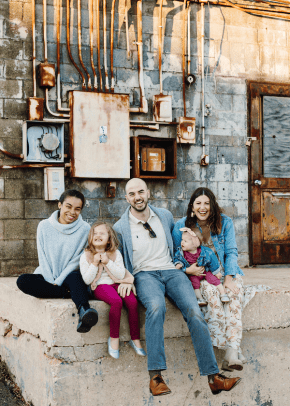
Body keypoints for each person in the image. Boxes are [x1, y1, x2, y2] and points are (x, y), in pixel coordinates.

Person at [113, 178, 241, 396]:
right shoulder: (120, 227)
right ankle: (156, 377)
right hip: (144, 275)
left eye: (141, 192)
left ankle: (214, 377)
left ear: (148, 192)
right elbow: (119, 258)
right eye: (132, 194)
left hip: (173, 272)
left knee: (194, 311)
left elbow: (181, 247)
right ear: (127, 198)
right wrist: (125, 280)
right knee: (156, 308)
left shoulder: (164, 216)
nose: (137, 197)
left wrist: (190, 268)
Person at [172, 187, 269, 372]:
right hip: (200, 274)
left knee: (234, 293)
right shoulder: (181, 226)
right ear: (192, 206)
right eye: (198, 203)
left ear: (213, 205)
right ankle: (233, 349)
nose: (203, 207)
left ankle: (231, 352)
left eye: (207, 203)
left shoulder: (225, 222)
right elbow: (177, 255)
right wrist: (188, 271)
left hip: (226, 271)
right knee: (211, 295)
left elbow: (232, 251)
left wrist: (229, 278)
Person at [16, 189, 98, 334]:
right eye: (68, 206)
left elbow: (77, 260)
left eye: (77, 209)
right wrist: (50, 280)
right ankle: (68, 293)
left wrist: (59, 280)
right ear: (60, 205)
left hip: (69, 275)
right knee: (22, 281)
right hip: (47, 274)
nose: (72, 212)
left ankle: (85, 311)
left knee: (76, 278)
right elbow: (43, 257)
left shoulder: (85, 229)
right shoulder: (44, 226)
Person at [80, 220, 146, 359]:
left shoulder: (115, 253)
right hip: (100, 286)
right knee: (116, 302)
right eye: (95, 233)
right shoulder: (86, 255)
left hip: (117, 283)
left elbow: (121, 274)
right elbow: (87, 279)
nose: (98, 235)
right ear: (90, 237)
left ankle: (135, 338)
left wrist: (107, 261)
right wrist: (94, 263)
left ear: (109, 238)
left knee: (132, 302)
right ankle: (114, 338)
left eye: (102, 233)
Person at [174, 227, 230, 306]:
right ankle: (199, 298)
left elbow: (213, 261)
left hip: (205, 271)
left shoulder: (205, 251)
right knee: (194, 283)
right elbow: (177, 258)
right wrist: (178, 264)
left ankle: (223, 293)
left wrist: (216, 272)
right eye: (182, 240)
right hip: (193, 274)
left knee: (213, 278)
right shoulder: (181, 253)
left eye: (185, 241)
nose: (182, 243)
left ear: (195, 243)